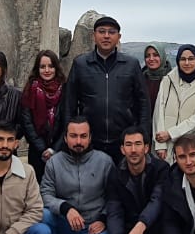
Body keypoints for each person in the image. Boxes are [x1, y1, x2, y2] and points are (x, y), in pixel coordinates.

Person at [60, 15, 149, 164]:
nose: (106, 36)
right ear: (94, 36)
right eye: (102, 31)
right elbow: (69, 103)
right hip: (90, 139)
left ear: (119, 37)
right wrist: (71, 136)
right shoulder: (81, 64)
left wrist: (144, 136)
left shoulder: (131, 65)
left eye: (111, 32)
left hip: (124, 139)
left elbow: (143, 103)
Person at [39, 116, 116, 234]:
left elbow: (114, 197)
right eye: (73, 136)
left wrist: (103, 219)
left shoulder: (105, 161)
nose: (78, 141)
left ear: (90, 137)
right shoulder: (54, 162)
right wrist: (65, 208)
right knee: (43, 216)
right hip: (66, 223)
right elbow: (45, 194)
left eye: (83, 136)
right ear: (65, 138)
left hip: (94, 225)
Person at [104, 126, 169, 234]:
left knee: (154, 232)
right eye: (128, 145)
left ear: (146, 147)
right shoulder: (115, 173)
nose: (133, 150)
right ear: (122, 149)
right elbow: (114, 208)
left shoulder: (161, 168)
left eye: (138, 144)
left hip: (155, 223)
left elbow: (157, 200)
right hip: (131, 223)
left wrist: (141, 225)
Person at [152, 44, 195, 163]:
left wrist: (171, 133)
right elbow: (158, 111)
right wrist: (160, 145)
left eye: (191, 59)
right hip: (166, 146)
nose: (187, 63)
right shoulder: (168, 80)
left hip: (190, 144)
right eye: (182, 59)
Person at [22, 49, 65, 182]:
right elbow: (26, 121)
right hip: (37, 150)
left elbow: (68, 119)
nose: (47, 70)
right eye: (42, 66)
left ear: (56, 68)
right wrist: (42, 149)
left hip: (60, 148)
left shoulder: (65, 89)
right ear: (37, 68)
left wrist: (54, 149)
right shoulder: (30, 89)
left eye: (51, 66)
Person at [142, 44, 170, 111]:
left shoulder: (172, 79)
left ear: (162, 56)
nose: (151, 59)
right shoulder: (140, 78)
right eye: (148, 56)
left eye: (155, 55)